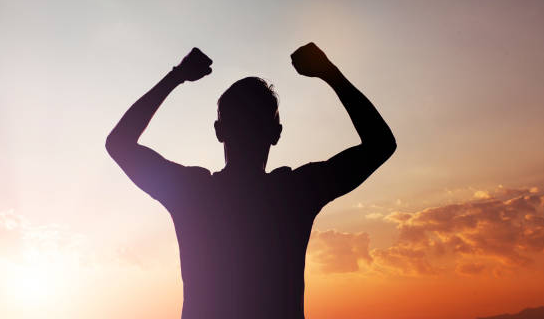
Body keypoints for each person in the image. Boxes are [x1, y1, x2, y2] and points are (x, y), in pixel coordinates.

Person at [105, 42, 396, 319]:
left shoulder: (192, 192)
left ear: (219, 131)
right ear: (276, 133)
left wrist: (177, 75)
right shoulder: (295, 193)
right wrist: (328, 72)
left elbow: (119, 143)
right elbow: (380, 144)